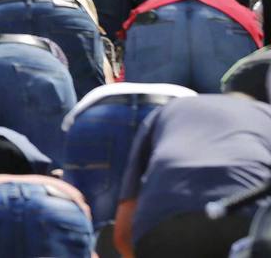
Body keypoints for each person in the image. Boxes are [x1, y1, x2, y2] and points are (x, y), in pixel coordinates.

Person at [114, 93, 271, 258]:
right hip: (248, 219)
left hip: (162, 229)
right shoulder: (266, 114)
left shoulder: (166, 111)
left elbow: (123, 233)